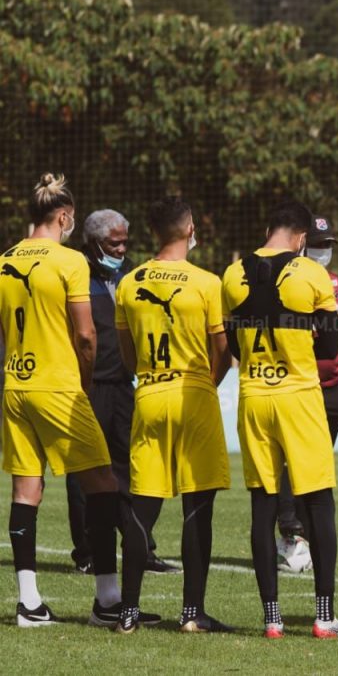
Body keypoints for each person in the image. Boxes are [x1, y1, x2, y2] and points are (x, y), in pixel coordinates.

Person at [0, 173, 155, 627]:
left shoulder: (4, 259)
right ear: (64, 217)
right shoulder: (69, 262)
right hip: (59, 386)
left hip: (15, 384)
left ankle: (29, 603)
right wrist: (84, 381)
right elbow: (86, 334)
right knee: (104, 484)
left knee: (26, 489)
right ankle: (107, 599)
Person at [222, 200, 338, 639]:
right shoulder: (314, 275)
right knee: (318, 502)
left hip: (254, 396)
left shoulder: (232, 274)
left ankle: (272, 618)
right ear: (301, 237)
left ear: (268, 228)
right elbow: (329, 349)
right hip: (299, 397)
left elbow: (236, 345)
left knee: (263, 505)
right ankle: (323, 616)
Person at [113, 197, 233, 634]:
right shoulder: (207, 282)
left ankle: (127, 611)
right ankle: (191, 614)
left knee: (143, 505)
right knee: (197, 506)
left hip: (149, 393)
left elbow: (127, 356)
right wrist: (205, 384)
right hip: (194, 394)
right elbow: (223, 351)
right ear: (189, 229)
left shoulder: (130, 282)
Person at [66, 209, 174, 576]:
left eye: (125, 241)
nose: (122, 248)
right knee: (86, 470)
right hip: (86, 386)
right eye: (116, 243)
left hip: (125, 385)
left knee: (132, 466)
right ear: (94, 243)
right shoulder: (74, 272)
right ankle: (88, 552)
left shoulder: (130, 274)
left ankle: (140, 546)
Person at [276, 216, 338, 542]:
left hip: (332, 387)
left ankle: (306, 532)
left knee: (318, 463)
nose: (324, 251)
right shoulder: (286, 278)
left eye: (328, 245)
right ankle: (290, 526)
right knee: (291, 460)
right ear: (304, 242)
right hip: (297, 383)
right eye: (319, 244)